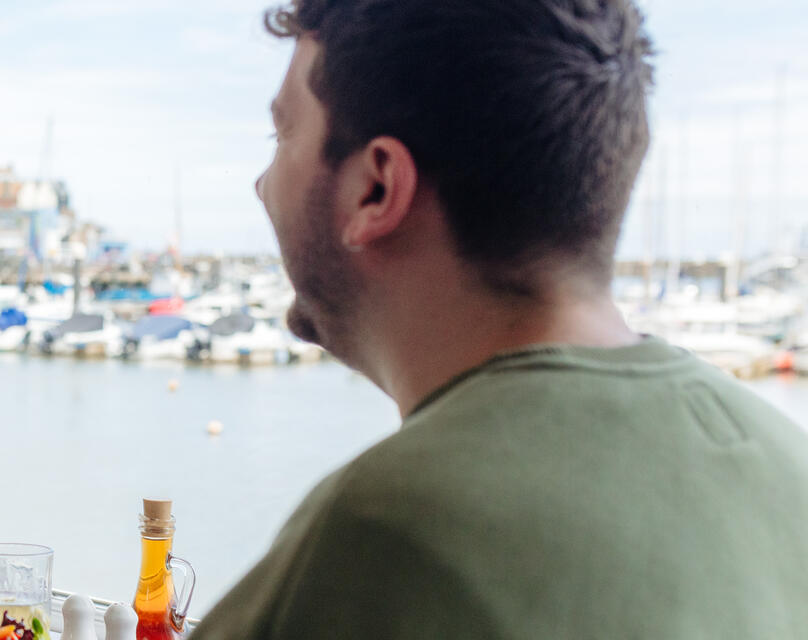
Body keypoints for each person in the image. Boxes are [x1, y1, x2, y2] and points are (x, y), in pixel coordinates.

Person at [192, 0, 808, 637]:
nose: (262, 186)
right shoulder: (788, 471)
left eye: (283, 135)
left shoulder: (386, 533)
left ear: (375, 188)